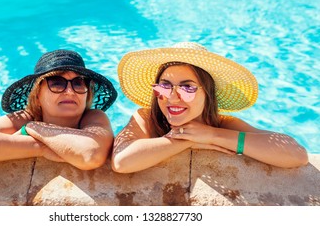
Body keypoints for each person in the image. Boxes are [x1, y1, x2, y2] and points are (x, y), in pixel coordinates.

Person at [112, 42, 308, 173]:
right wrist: (186, 139)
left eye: (187, 87)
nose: (172, 97)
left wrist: (213, 135)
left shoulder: (223, 124)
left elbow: (296, 154)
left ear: (208, 94)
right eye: (165, 86)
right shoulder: (146, 117)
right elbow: (121, 161)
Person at [0, 49, 117, 170]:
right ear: (37, 95)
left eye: (79, 83)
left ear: (87, 92)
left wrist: (34, 128)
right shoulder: (25, 117)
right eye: (57, 83)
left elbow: (91, 155)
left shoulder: (94, 117)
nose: (70, 91)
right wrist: (41, 148)